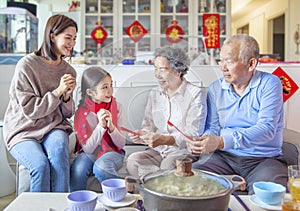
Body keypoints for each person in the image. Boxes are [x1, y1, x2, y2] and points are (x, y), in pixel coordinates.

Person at [189, 34, 288, 194]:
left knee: (268, 194)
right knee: (191, 180)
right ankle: (230, 182)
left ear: (251, 64)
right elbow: (213, 127)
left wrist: (221, 141)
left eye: (229, 61)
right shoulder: (215, 88)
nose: (222, 67)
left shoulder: (270, 83)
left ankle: (233, 183)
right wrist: (202, 141)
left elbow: (267, 128)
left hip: (263, 159)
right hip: (224, 158)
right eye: (221, 60)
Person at [3, 14, 78, 192]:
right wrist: (58, 91)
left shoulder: (69, 70)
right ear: (52, 36)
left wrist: (67, 96)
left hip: (53, 126)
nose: (72, 43)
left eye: (74, 38)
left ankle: (60, 205)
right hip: (23, 129)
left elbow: (67, 114)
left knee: (60, 151)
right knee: (40, 165)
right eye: (68, 37)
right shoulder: (26, 65)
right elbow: (30, 110)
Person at [126, 46, 207, 177]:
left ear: (178, 71)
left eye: (163, 69)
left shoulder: (195, 94)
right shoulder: (154, 93)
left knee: (167, 165)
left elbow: (194, 134)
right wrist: (142, 135)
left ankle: (162, 194)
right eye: (155, 69)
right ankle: (148, 194)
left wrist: (165, 139)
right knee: (133, 161)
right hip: (159, 151)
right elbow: (148, 125)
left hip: (183, 152)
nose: (157, 75)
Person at [70, 67, 126, 192]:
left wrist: (111, 127)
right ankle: (78, 202)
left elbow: (121, 144)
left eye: (111, 85)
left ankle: (119, 197)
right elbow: (88, 149)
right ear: (90, 92)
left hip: (113, 151)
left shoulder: (117, 108)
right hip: (89, 152)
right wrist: (101, 126)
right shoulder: (81, 114)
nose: (110, 90)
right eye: (105, 87)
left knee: (101, 167)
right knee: (78, 169)